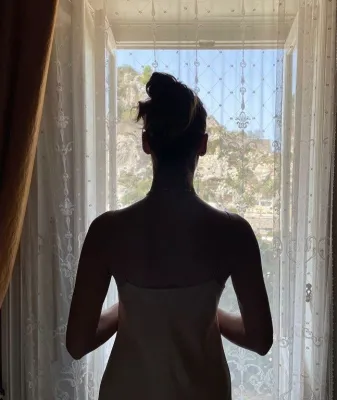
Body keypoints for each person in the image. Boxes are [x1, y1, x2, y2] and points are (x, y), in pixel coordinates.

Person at [66, 72, 273, 400]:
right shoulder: (235, 232)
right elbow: (260, 340)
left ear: (146, 143)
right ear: (202, 145)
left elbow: (78, 344)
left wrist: (130, 307)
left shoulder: (107, 230)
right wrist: (206, 312)